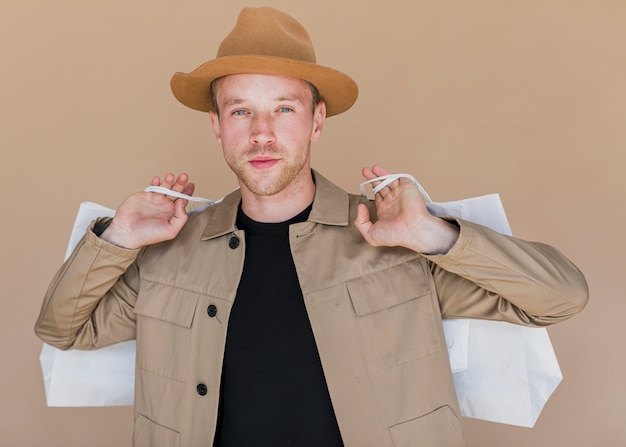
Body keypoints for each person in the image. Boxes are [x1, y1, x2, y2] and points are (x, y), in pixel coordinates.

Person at [35, 6, 588, 447]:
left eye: (283, 109)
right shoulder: (168, 253)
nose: (261, 133)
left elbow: (559, 297)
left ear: (316, 121)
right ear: (216, 125)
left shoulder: (394, 240)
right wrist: (117, 239)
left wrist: (436, 235)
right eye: (240, 111)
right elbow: (63, 330)